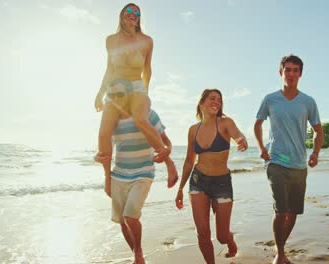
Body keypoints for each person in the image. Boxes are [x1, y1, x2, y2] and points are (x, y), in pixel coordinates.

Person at [94, 3, 178, 188]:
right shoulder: (111, 40)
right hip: (116, 89)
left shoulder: (147, 41)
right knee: (103, 135)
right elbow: (109, 69)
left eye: (136, 13)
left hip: (137, 88)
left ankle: (170, 164)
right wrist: (100, 93)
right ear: (122, 15)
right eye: (129, 11)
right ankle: (108, 178)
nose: (133, 14)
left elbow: (147, 70)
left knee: (140, 119)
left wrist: (145, 94)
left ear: (139, 19)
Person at [254, 55, 324, 264]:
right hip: (276, 161)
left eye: (295, 70)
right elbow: (257, 125)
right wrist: (261, 149)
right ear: (281, 72)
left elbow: (318, 131)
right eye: (288, 70)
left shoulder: (308, 101)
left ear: (300, 74)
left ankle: (279, 246)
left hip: (299, 164)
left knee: (293, 213)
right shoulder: (270, 99)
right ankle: (280, 254)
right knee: (281, 210)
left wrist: (315, 153)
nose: (291, 74)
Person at [95, 83, 175, 264]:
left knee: (130, 215)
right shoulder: (111, 120)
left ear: (130, 95)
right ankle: (137, 257)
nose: (115, 99)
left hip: (143, 172)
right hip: (119, 174)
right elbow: (105, 152)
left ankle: (138, 252)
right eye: (111, 95)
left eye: (120, 94)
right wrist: (105, 175)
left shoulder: (148, 115)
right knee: (122, 221)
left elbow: (166, 142)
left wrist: (167, 155)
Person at [174, 89, 248, 264]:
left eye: (219, 100)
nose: (216, 102)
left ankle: (229, 240)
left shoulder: (225, 123)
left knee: (221, 236)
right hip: (198, 182)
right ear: (202, 103)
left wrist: (241, 140)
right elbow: (188, 161)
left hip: (222, 183)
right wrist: (180, 189)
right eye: (212, 98)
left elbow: (237, 134)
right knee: (203, 233)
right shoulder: (193, 130)